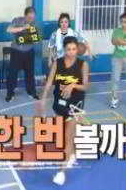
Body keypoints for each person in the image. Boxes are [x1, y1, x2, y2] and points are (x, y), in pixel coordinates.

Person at [40, 36, 89, 185]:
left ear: (77, 49)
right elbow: (49, 82)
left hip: (75, 104)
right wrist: (43, 99)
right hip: (59, 103)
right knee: (67, 134)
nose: (71, 52)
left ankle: (61, 173)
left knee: (67, 137)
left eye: (74, 49)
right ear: (64, 49)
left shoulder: (83, 64)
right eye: (69, 49)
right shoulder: (58, 63)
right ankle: (72, 154)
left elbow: (85, 86)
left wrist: (72, 85)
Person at [5, 6, 40, 102]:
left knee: (30, 73)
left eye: (33, 17)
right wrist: (23, 28)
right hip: (16, 51)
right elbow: (9, 29)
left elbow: (36, 40)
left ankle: (32, 92)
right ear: (25, 15)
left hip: (29, 52)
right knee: (12, 74)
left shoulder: (34, 24)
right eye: (29, 17)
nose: (31, 19)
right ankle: (10, 93)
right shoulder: (17, 20)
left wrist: (34, 38)